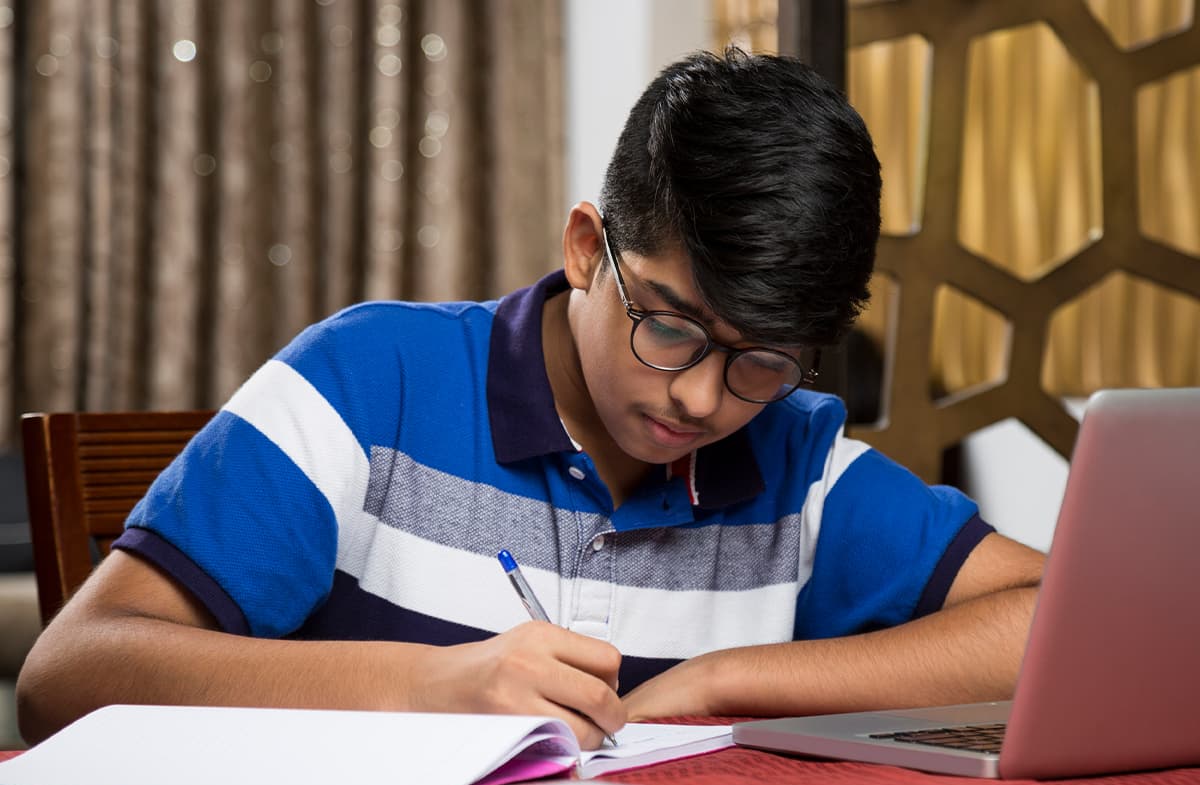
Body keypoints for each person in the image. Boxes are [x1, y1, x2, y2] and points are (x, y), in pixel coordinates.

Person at [16, 48, 1045, 748]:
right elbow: (67, 676)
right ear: (589, 248)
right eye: (671, 326)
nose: (699, 400)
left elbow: (1053, 617)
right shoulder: (373, 383)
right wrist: (424, 690)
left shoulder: (795, 460)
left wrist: (726, 679)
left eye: (760, 360)